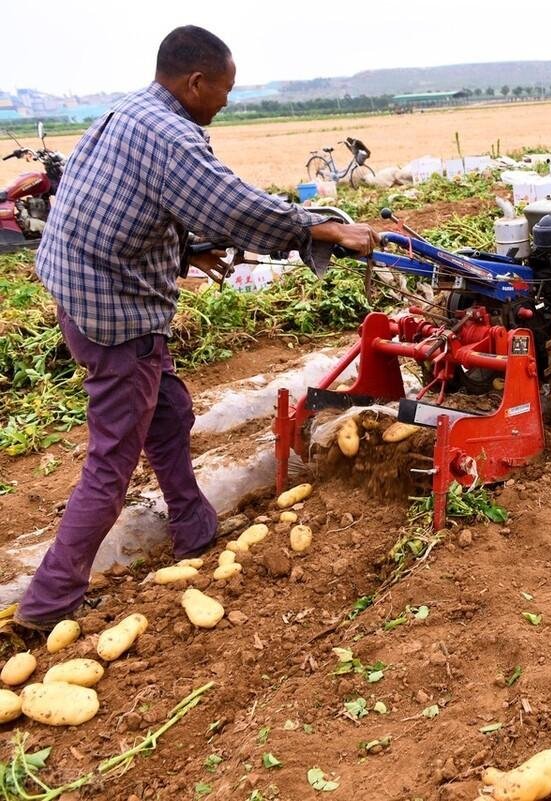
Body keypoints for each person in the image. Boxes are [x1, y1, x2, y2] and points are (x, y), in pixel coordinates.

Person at [16, 25, 377, 630]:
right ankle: (46, 602)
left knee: (169, 411)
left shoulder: (129, 113)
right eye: (226, 90)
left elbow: (128, 204)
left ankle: (193, 525)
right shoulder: (173, 136)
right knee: (111, 462)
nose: (227, 102)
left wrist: (185, 248)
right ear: (196, 82)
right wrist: (324, 229)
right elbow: (230, 203)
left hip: (79, 290)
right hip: (116, 311)